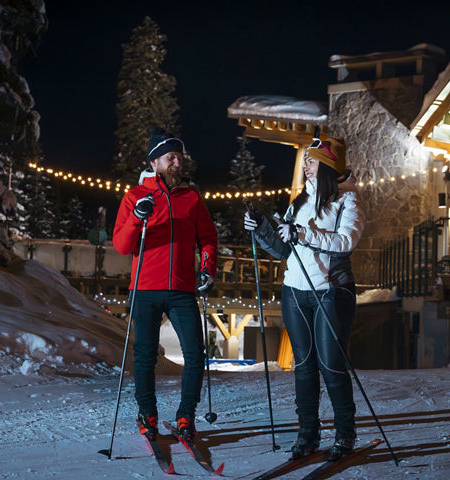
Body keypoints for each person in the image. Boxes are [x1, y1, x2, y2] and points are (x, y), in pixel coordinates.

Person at [243, 136, 364, 461]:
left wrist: (302, 234)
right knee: (304, 366)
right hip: (295, 290)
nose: (305, 167)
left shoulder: (346, 202)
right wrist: (263, 230)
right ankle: (307, 434)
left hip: (331, 292)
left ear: (325, 166)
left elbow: (345, 241)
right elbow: (285, 249)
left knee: (331, 365)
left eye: (310, 161)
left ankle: (345, 434)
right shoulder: (298, 203)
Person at [112, 127, 218, 442]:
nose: (177, 163)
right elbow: (121, 245)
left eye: (179, 157)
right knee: (145, 356)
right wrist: (137, 218)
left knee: (196, 354)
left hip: (183, 289)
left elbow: (208, 238)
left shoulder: (191, 198)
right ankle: (148, 415)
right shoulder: (135, 196)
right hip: (144, 289)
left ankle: (186, 414)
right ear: (155, 161)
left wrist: (207, 269)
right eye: (171, 157)